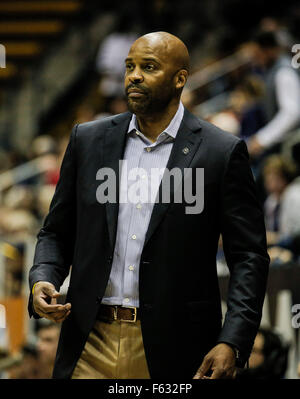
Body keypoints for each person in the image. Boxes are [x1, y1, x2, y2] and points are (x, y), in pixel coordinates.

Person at [28, 31, 269, 379]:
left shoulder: (221, 151)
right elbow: (56, 231)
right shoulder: (87, 140)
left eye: (149, 67)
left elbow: (249, 255)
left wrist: (232, 340)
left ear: (179, 79)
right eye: (129, 66)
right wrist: (42, 279)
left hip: (175, 346)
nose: (134, 75)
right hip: (88, 340)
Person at [247, 30, 300, 158]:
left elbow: (292, 113)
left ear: (269, 50)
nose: (255, 59)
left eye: (258, 53)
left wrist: (262, 139)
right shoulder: (271, 71)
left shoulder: (284, 72)